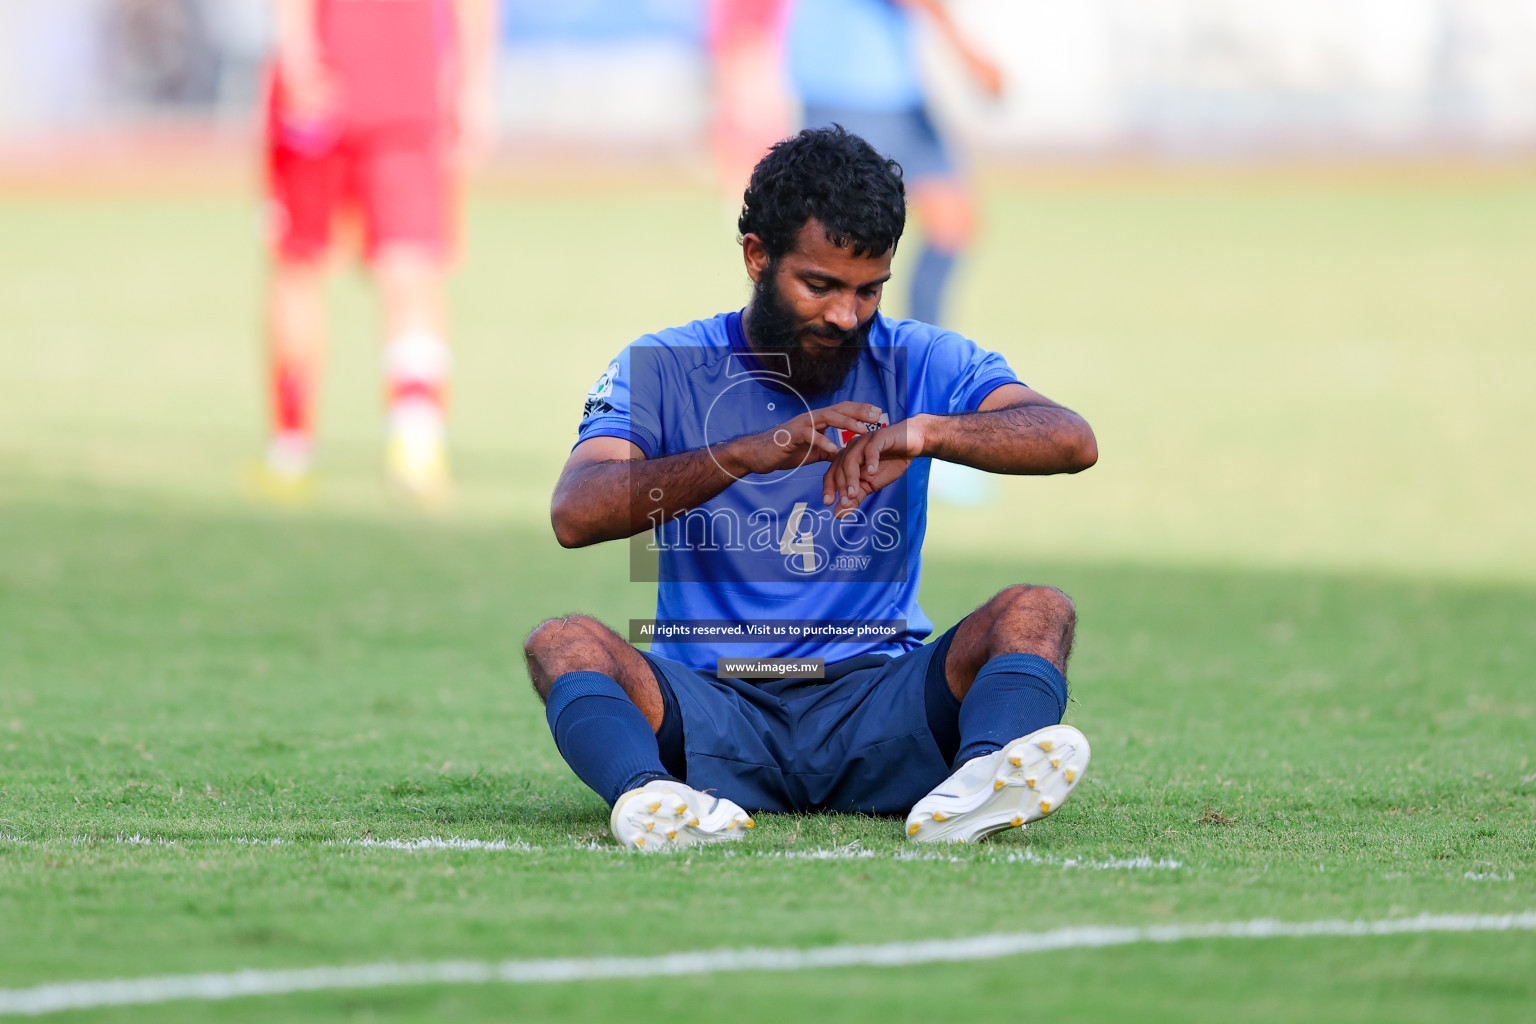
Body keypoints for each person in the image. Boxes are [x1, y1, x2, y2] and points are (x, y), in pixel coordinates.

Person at [525, 127, 1097, 852]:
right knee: (563, 642)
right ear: (757, 256)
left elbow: (1070, 437)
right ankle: (652, 800)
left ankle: (977, 783)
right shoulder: (666, 366)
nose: (845, 316)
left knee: (1038, 611)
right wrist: (746, 455)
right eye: (819, 286)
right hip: (714, 702)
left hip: (877, 700)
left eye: (869, 290)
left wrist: (927, 433)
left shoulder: (919, 356)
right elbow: (575, 511)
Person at [255, 0, 496, 504]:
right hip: (372, 92)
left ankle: (298, 449)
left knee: (327, 265)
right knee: (386, 269)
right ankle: (410, 445)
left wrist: (296, 51)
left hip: (361, 90)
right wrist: (474, 87)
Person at [785, 0, 1002, 329]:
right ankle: (822, 355)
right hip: (849, 86)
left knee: (953, 221)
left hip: (896, 92)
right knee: (839, 239)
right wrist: (967, 53)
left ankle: (922, 351)